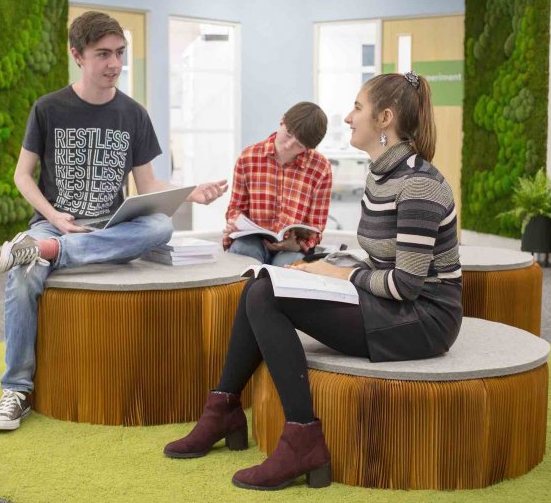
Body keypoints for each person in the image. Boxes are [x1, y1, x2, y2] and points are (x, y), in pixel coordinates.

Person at [163, 72, 462, 491]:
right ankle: (224, 407)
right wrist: (325, 267)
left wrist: (337, 273)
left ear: (385, 119)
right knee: (264, 281)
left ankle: (301, 436)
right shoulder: (381, 174)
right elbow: (381, 259)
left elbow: (406, 285)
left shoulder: (418, 186)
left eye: (357, 107)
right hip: (394, 305)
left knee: (268, 295)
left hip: (422, 320)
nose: (347, 117)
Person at [0, 11, 227, 431]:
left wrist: (188, 192)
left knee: (161, 226)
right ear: (77, 55)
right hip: (54, 223)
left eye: (119, 53)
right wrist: (54, 217)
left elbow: (146, 183)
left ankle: (53, 253)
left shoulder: (133, 114)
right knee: (23, 276)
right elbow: (22, 176)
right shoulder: (48, 108)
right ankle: (16, 390)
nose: (114, 64)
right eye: (103, 54)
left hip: (112, 227)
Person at [224, 102, 332, 266]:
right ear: (282, 121)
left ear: (308, 148)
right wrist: (234, 223)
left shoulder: (321, 168)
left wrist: (298, 245)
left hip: (291, 247)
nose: (289, 145)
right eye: (288, 134)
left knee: (288, 267)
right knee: (244, 252)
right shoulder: (248, 157)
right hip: (253, 240)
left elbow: (316, 226)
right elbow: (235, 209)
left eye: (299, 145)